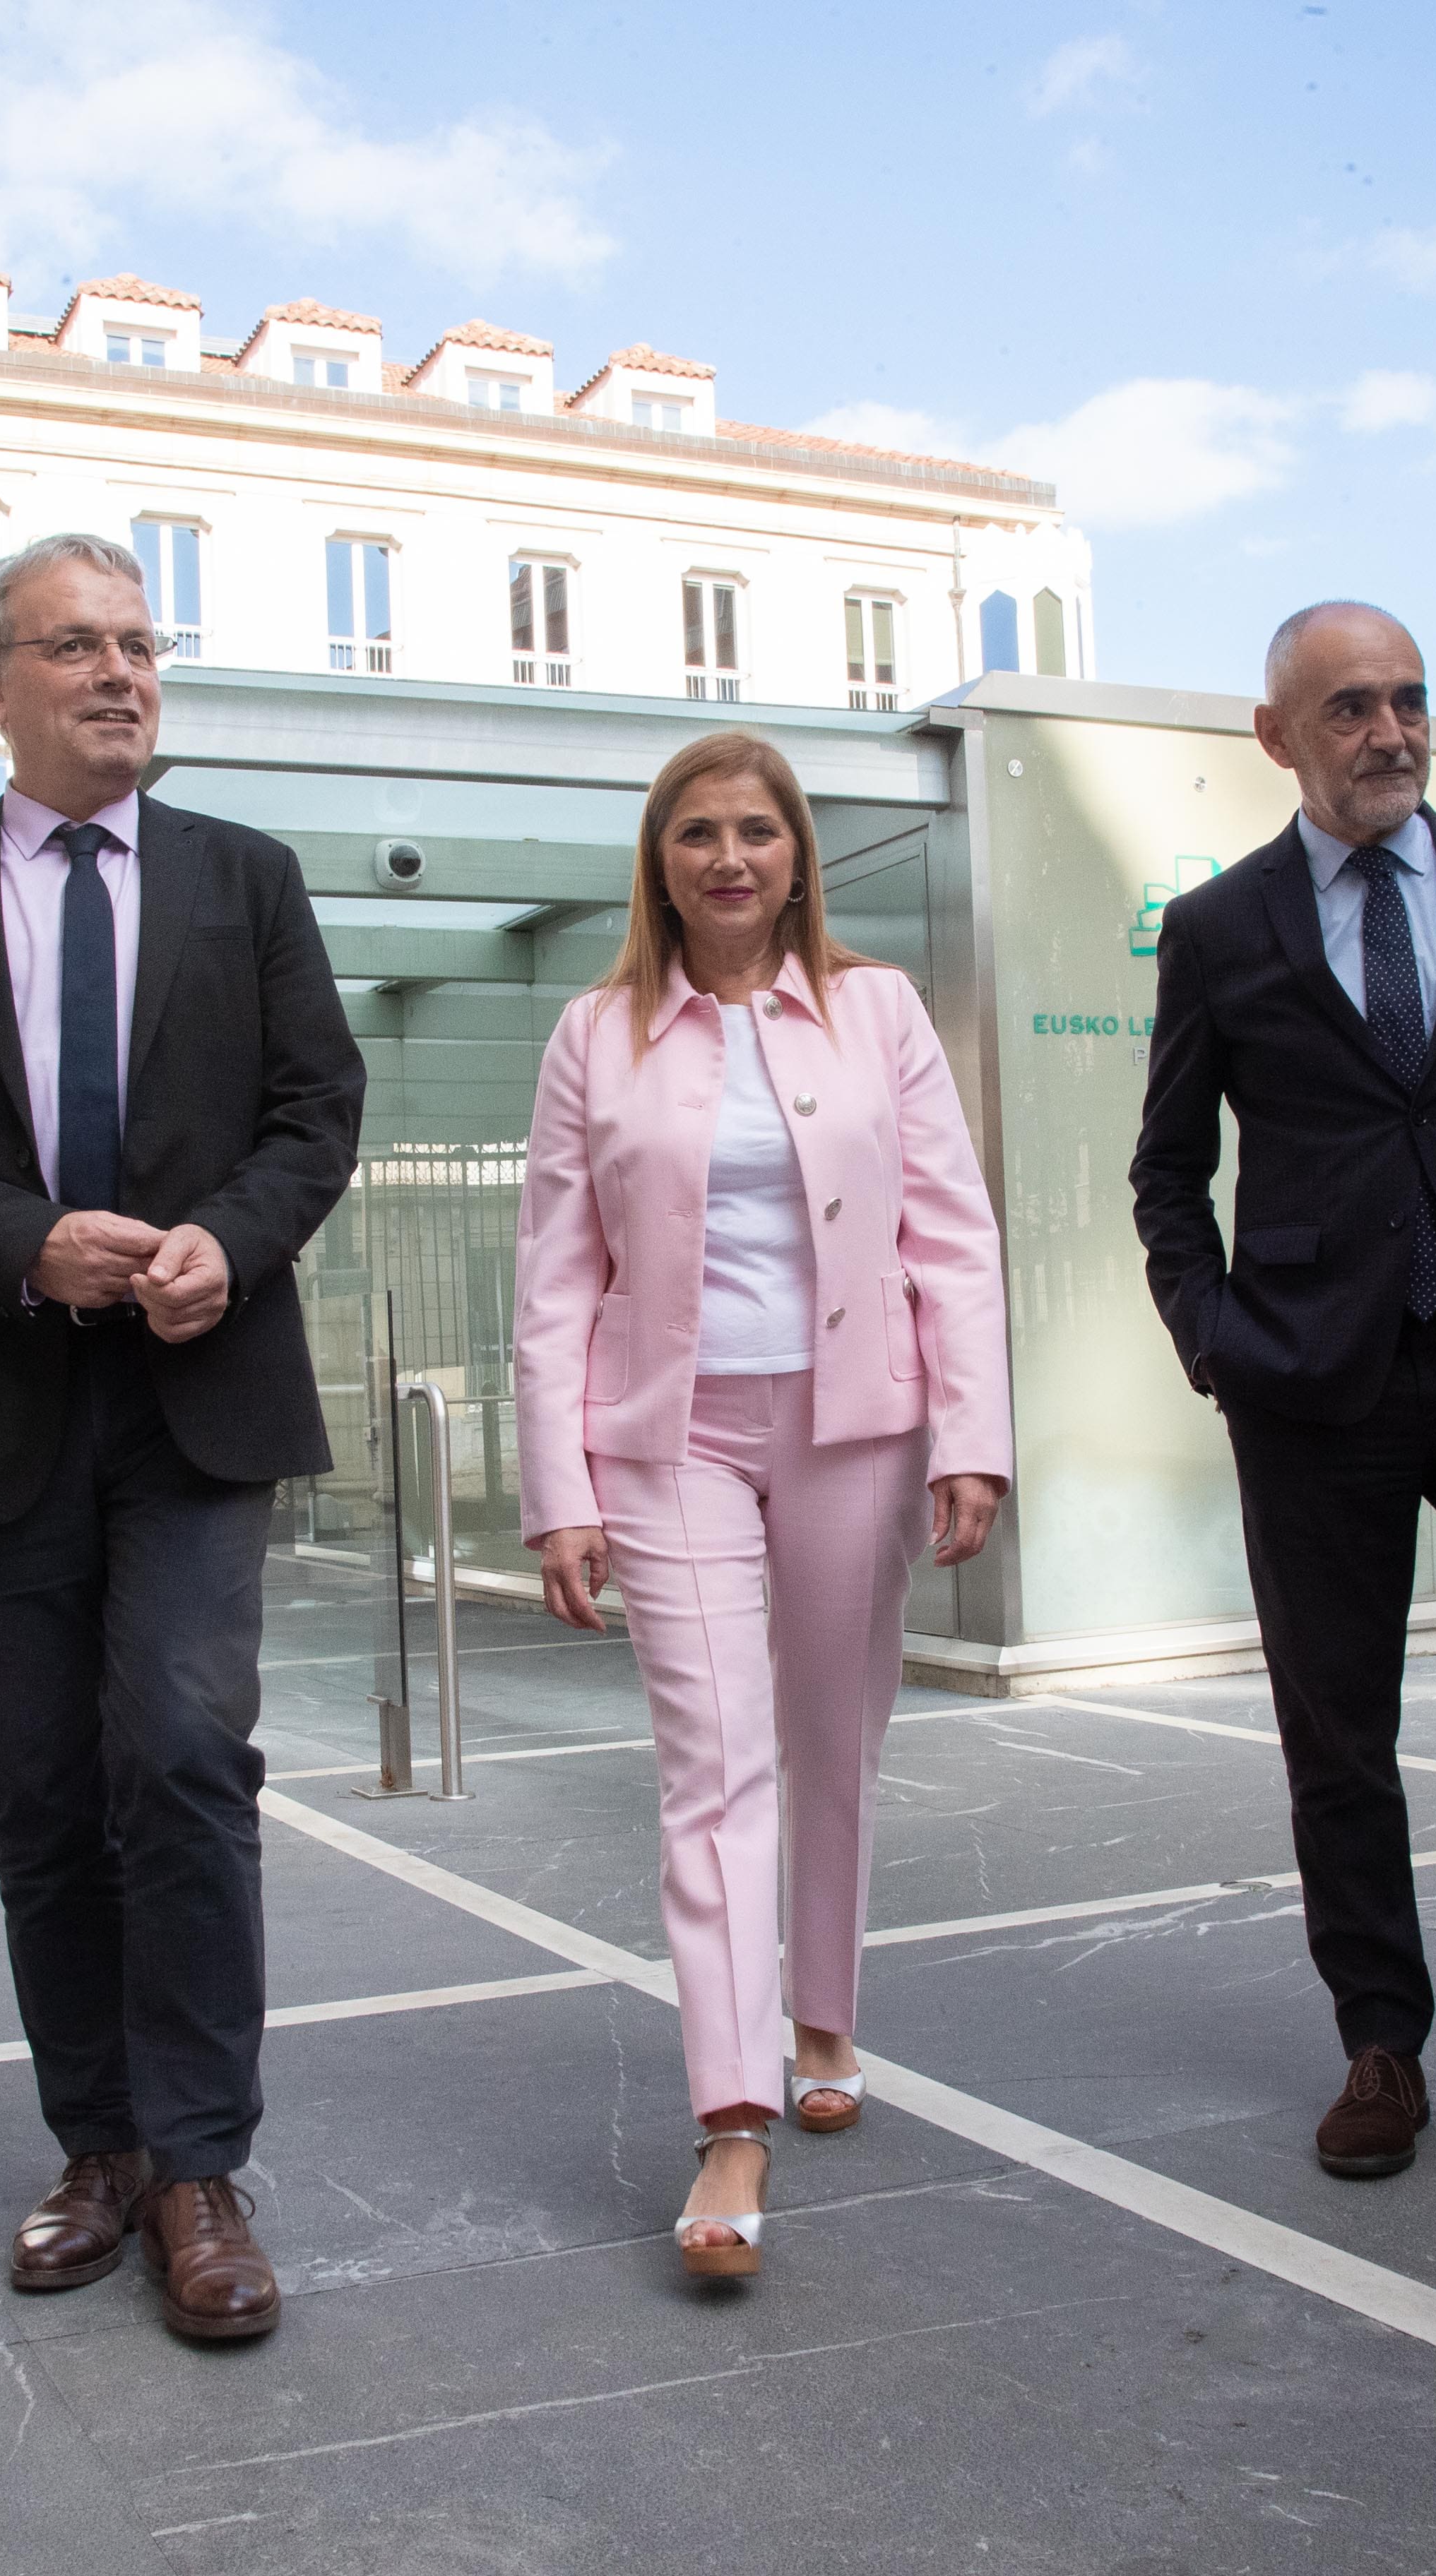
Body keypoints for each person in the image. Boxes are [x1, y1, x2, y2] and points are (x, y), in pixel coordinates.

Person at [0, 530, 362, 2345]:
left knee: (184, 1761)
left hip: (197, 1398)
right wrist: (18, 1242)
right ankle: (97, 2145)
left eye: (138, 643)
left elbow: (313, 1106)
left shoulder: (244, 880)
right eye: (76, 647)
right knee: (44, 1792)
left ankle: (200, 2163)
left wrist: (233, 1242)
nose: (119, 673)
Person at [1129, 600, 1436, 2182]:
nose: (1392, 734)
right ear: (1278, 735)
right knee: (1340, 1732)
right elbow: (1168, 1173)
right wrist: (1218, 1339)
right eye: (1351, 708)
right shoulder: (1222, 932)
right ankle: (1381, 2042)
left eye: (1410, 701)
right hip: (1317, 1385)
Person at [516, 730, 1011, 2278]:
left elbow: (953, 1234)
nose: (729, 859)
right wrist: (559, 1486)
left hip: (854, 1424)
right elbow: (553, 1281)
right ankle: (733, 2118)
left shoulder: (878, 1012)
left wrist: (970, 1435)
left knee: (836, 1742)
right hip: (668, 1443)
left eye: (758, 832)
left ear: (799, 856)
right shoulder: (597, 1034)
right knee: (713, 1763)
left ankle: (826, 2014)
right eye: (697, 835)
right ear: (659, 864)